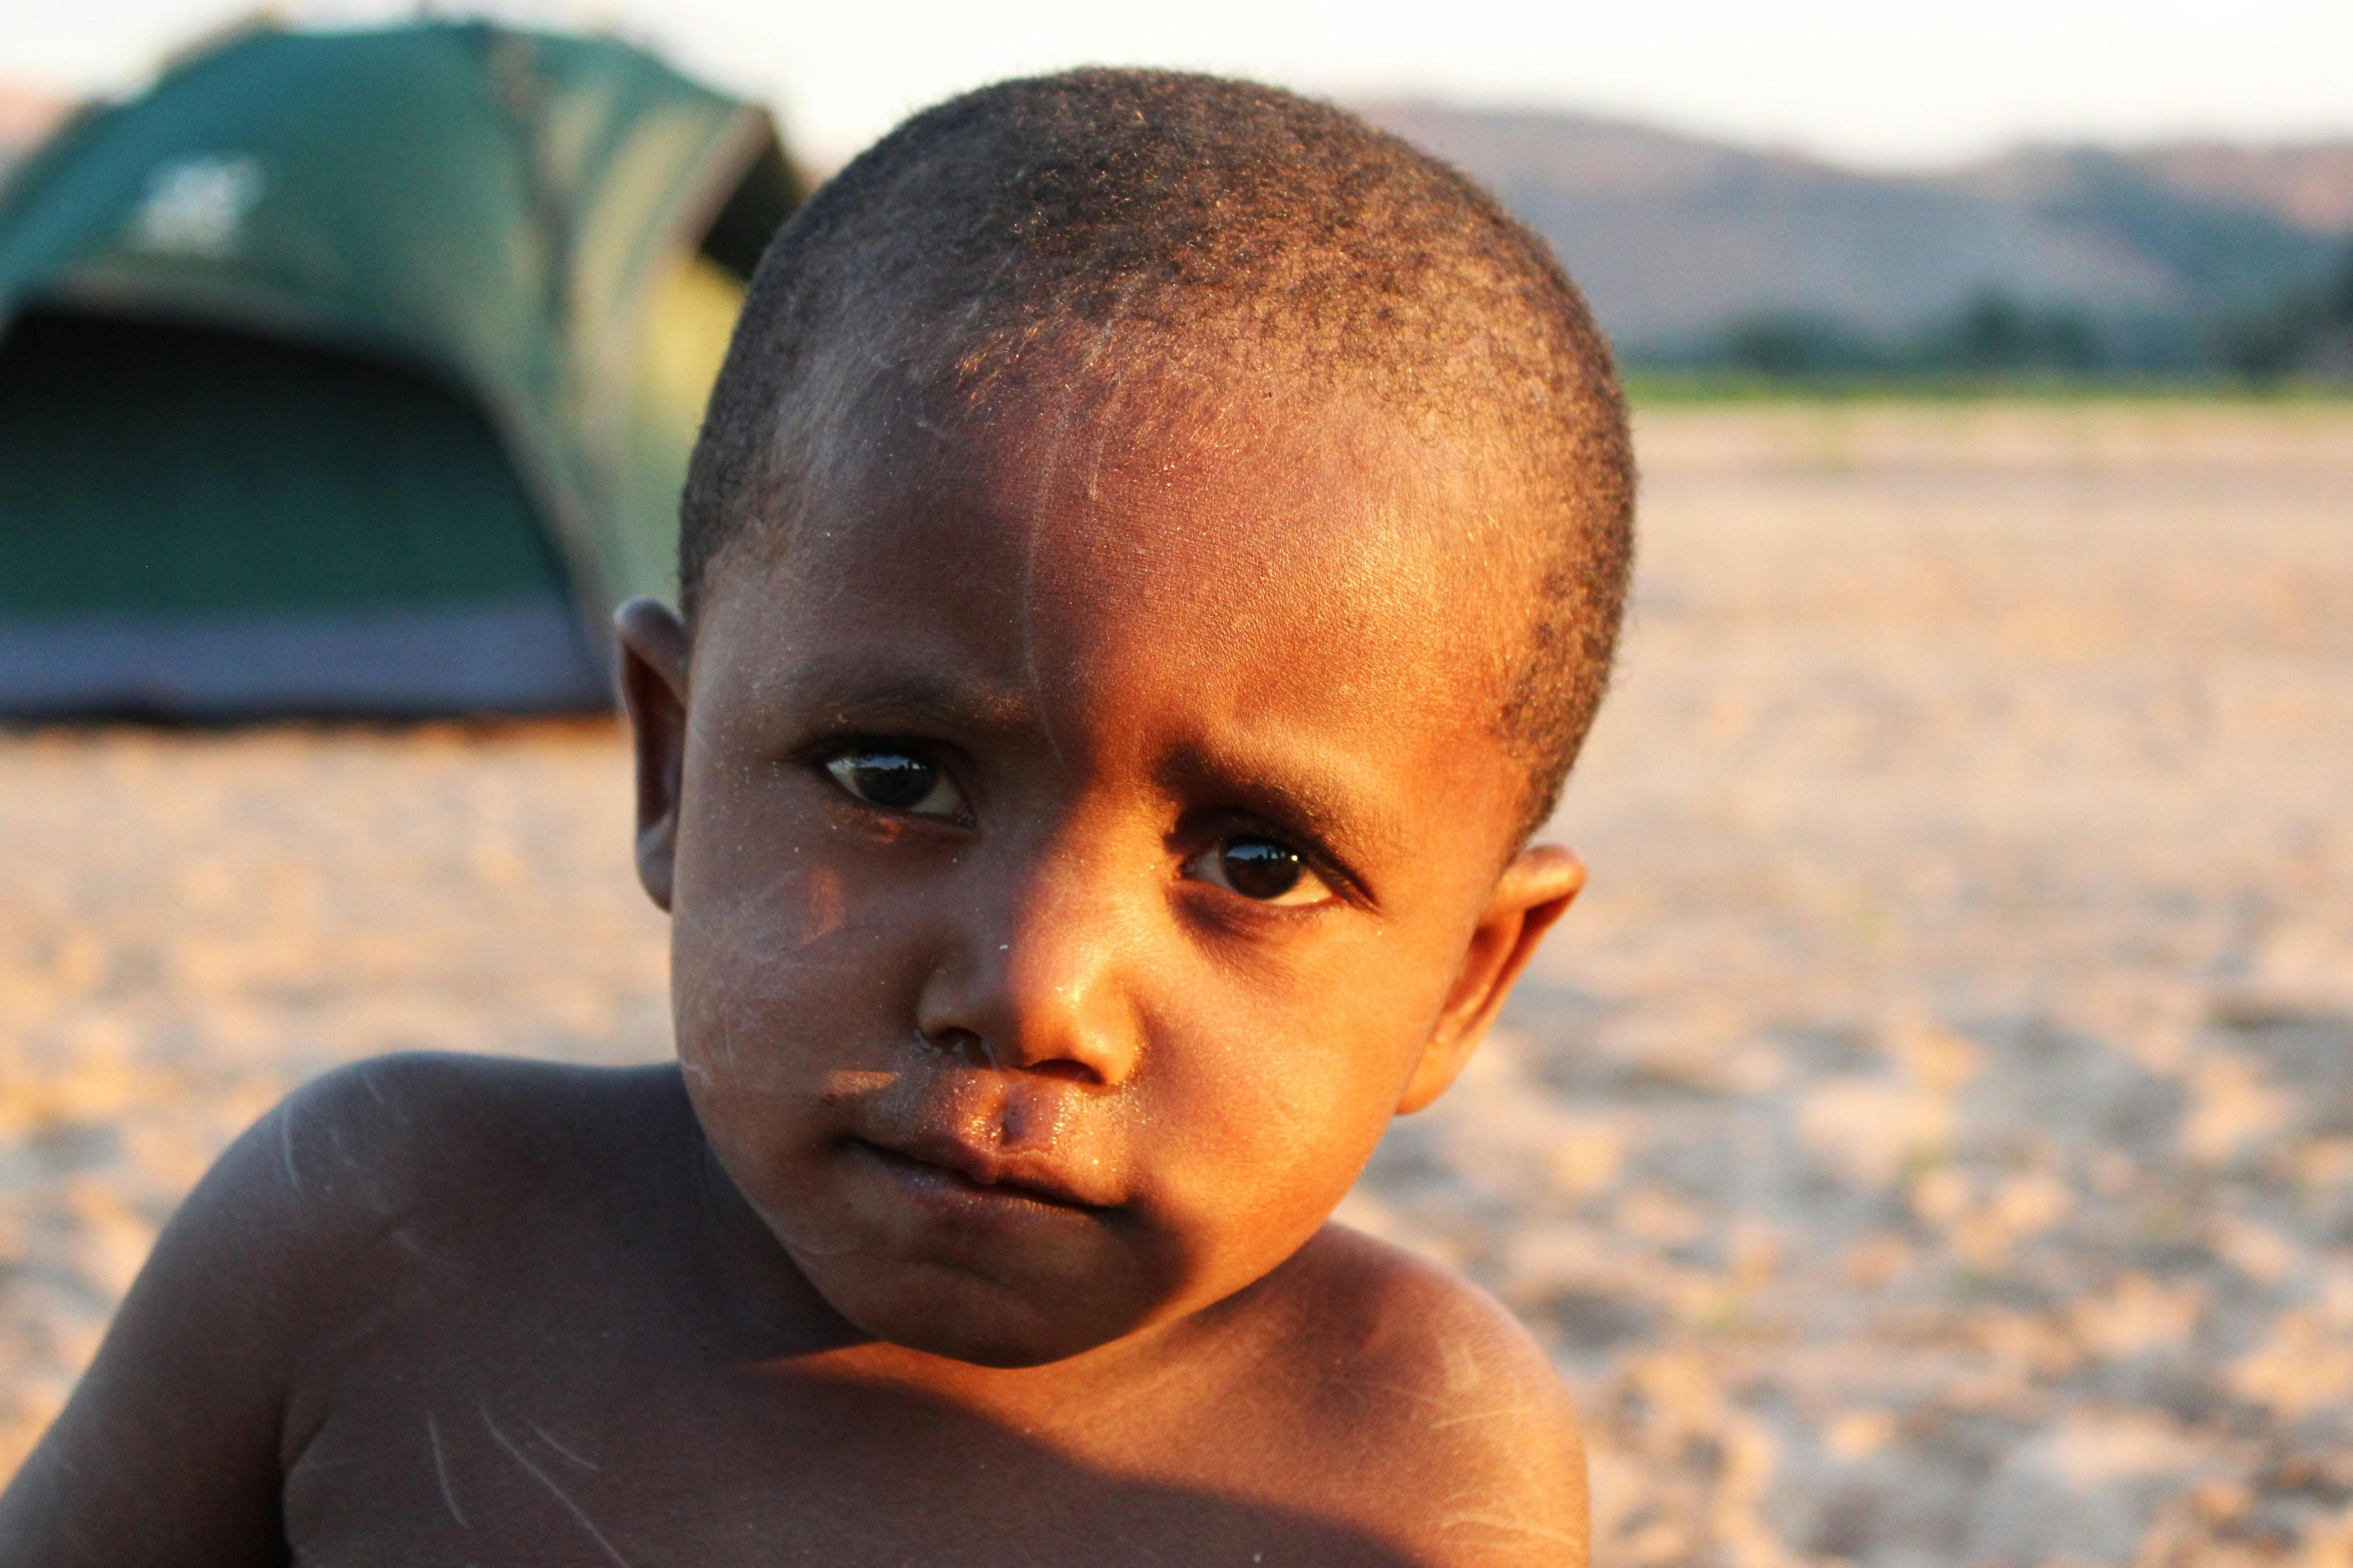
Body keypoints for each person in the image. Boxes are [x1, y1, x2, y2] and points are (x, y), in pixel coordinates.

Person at [0, 68, 1633, 1566]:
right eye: (893, 778)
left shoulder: (1409, 1468)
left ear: (1469, 979)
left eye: (1256, 864)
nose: (1033, 991)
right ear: (671, 762)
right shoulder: (372, 1239)